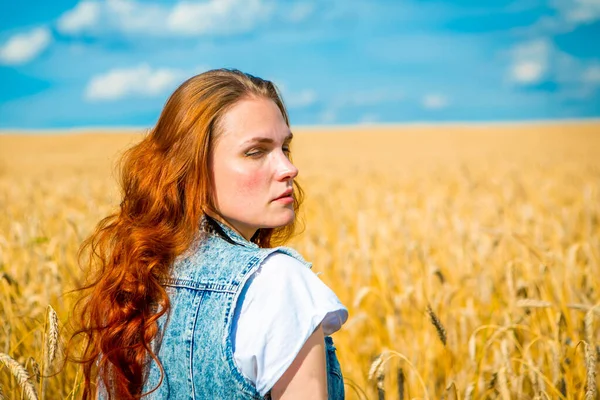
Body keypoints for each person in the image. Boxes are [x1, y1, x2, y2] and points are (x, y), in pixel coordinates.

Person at [68, 68, 348, 399]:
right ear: (190, 167)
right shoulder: (276, 282)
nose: (289, 168)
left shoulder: (131, 280)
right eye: (256, 151)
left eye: (284, 148)